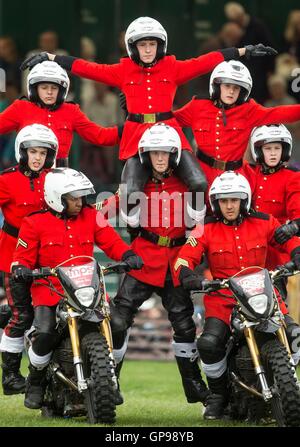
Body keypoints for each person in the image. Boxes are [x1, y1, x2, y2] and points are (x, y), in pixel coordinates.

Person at [20, 16, 276, 222]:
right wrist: (52, 58)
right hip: (136, 136)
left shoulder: (172, 67)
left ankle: (194, 228)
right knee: (131, 191)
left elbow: (204, 62)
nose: (147, 49)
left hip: (171, 134)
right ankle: (134, 231)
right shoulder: (123, 70)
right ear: (133, 47)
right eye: (142, 45)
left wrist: (243, 51)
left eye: (152, 44)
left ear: (160, 46)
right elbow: (90, 68)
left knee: (198, 182)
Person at [11, 167, 143, 410]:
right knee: (45, 331)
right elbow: (23, 257)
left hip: (88, 289)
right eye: (74, 198)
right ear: (55, 197)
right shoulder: (33, 222)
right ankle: (36, 380)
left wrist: (128, 254)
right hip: (50, 290)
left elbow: (112, 242)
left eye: (82, 197)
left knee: (119, 325)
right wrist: (20, 267)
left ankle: (112, 379)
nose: (80, 202)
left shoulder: (92, 216)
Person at [175, 171, 300, 419]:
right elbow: (182, 260)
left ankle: (287, 382)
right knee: (209, 343)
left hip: (264, 294)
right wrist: (193, 278)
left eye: (234, 199)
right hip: (223, 299)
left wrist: (296, 256)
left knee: (295, 334)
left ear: (244, 200)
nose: (229, 205)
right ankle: (218, 396)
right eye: (223, 200)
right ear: (216, 203)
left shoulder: (265, 221)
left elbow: (291, 242)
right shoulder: (204, 229)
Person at [107, 123, 209, 407]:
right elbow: (101, 215)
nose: (160, 158)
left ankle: (194, 386)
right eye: (155, 153)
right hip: (143, 256)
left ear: (175, 155)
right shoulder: (133, 187)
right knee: (117, 320)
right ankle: (108, 382)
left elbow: (202, 225)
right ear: (146, 156)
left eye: (165, 153)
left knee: (185, 325)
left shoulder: (188, 186)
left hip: (176, 260)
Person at [174, 60, 300, 192]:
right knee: (194, 210)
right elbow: (168, 121)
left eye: (236, 88)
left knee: (239, 210)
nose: (231, 91)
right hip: (201, 175)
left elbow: (279, 113)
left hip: (236, 178)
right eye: (227, 86)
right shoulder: (197, 106)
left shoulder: (249, 110)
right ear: (217, 86)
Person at [0, 124, 58, 395]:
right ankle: (10, 376)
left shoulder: (56, 179)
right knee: (22, 315)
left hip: (48, 257)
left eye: (43, 153)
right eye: (33, 152)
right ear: (22, 152)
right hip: (12, 257)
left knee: (50, 316)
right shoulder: (6, 180)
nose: (38, 158)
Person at [0, 60, 120, 167]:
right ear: (34, 88)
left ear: (62, 90)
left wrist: (133, 126)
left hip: (61, 176)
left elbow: (100, 136)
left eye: (54, 88)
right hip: (28, 176)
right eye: (44, 87)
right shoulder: (21, 107)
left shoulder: (71, 111)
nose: (49, 92)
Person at [249, 124, 300, 274]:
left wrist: (294, 227)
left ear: (284, 150)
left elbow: (297, 214)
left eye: (277, 148)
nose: (273, 153)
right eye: (267, 148)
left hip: (276, 252)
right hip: (246, 249)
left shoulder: (292, 177)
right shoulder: (249, 172)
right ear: (258, 150)